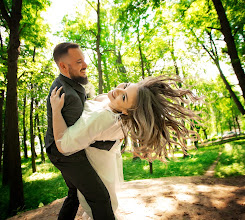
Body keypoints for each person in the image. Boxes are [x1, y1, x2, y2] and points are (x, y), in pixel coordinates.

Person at [50, 75, 202, 219]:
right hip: (103, 164)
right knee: (76, 195)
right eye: (126, 85)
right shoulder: (116, 108)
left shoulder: (103, 118)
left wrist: (56, 110)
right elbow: (101, 99)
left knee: (98, 206)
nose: (118, 90)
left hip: (95, 168)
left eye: (124, 97)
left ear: (126, 111)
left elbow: (64, 145)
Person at [44, 42, 117, 220]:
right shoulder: (64, 93)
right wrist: (111, 140)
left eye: (83, 60)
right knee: (100, 198)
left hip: (57, 149)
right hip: (67, 154)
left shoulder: (71, 83)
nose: (85, 65)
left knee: (74, 193)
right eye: (78, 62)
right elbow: (82, 135)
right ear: (63, 66)